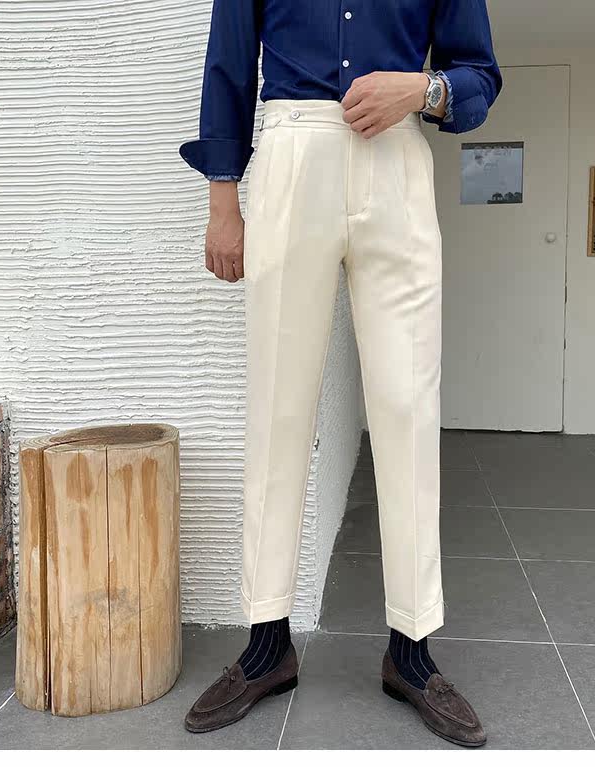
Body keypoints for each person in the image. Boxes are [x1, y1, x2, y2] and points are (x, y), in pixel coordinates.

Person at [179, 0, 501, 747]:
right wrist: (222, 202)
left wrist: (420, 90)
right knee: (278, 405)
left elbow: (479, 75)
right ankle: (267, 643)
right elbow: (229, 63)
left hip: (397, 159)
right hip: (292, 152)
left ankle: (411, 650)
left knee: (408, 407)